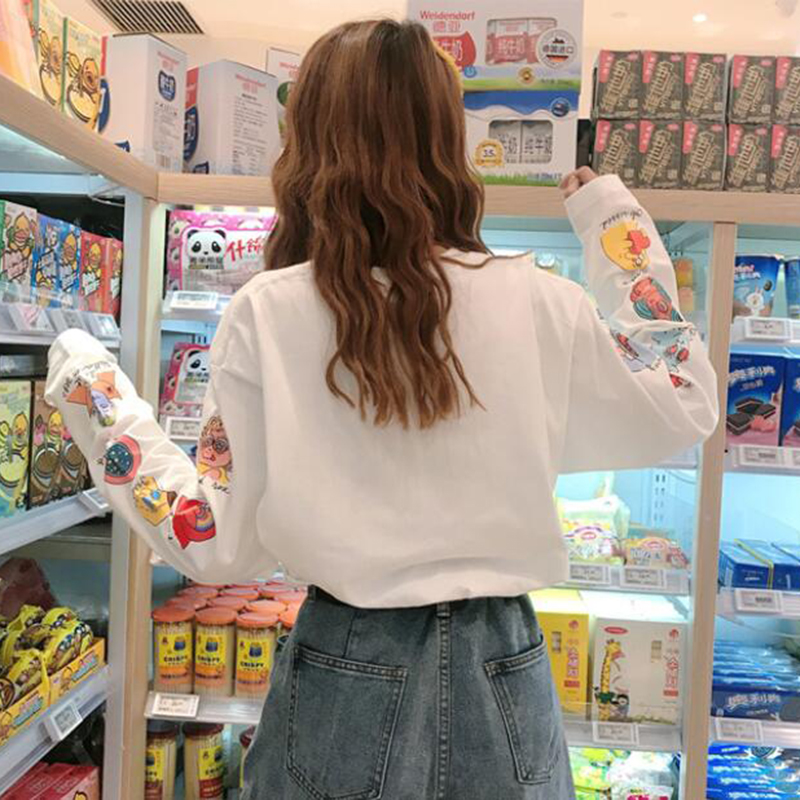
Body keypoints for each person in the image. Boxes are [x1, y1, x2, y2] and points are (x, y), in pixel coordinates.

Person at [45, 19, 718, 800]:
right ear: (448, 140)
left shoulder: (270, 310)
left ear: (308, 141)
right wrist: (611, 222)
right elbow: (683, 399)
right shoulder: (540, 299)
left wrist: (94, 393)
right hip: (506, 669)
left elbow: (216, 544)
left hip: (344, 668)